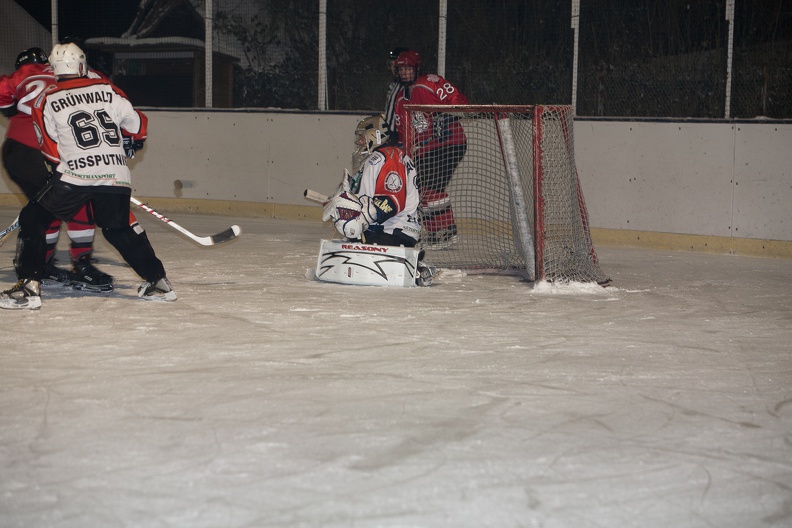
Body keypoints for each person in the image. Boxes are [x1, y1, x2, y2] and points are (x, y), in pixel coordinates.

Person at [0, 42, 175, 310]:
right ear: (82, 65)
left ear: (55, 69)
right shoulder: (106, 88)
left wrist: (65, 168)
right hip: (116, 174)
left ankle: (29, 287)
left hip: (76, 174)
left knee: (33, 217)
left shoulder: (46, 98)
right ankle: (158, 282)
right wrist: (130, 143)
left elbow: (50, 149)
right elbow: (138, 126)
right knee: (118, 230)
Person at [0, 46, 113, 291]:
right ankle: (77, 264)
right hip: (50, 147)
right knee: (74, 203)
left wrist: (10, 107)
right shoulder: (72, 72)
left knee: (48, 207)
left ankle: (41, 263)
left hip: (17, 148)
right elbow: (107, 90)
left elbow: (2, 92)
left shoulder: (23, 74)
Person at [392, 50, 470, 249]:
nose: (405, 73)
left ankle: (446, 232)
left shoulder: (427, 82)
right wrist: (405, 152)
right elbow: (404, 131)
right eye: (402, 70)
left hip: (450, 143)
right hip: (426, 150)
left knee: (432, 188)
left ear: (417, 68)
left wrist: (449, 113)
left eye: (408, 69)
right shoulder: (401, 99)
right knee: (421, 190)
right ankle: (436, 232)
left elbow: (456, 98)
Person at [323, 114, 421, 248]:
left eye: (362, 137)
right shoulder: (377, 158)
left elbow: (391, 200)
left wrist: (362, 218)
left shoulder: (390, 156)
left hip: (393, 231)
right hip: (382, 230)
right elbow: (367, 199)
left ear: (375, 135)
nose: (359, 142)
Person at [384, 46, 409, 141]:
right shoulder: (394, 85)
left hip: (401, 136)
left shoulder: (410, 86)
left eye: (396, 65)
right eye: (391, 65)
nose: (393, 68)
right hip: (390, 134)